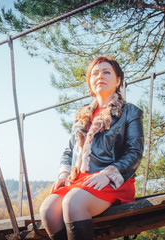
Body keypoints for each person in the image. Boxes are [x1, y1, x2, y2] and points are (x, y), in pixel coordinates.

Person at [39, 56, 144, 240]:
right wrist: (63, 175)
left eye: (106, 72)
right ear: (89, 81)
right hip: (79, 181)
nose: (100, 76)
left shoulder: (130, 112)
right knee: (48, 210)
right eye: (95, 73)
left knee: (73, 202)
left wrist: (107, 175)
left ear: (118, 80)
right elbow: (69, 151)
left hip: (112, 180)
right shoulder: (83, 116)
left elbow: (134, 152)